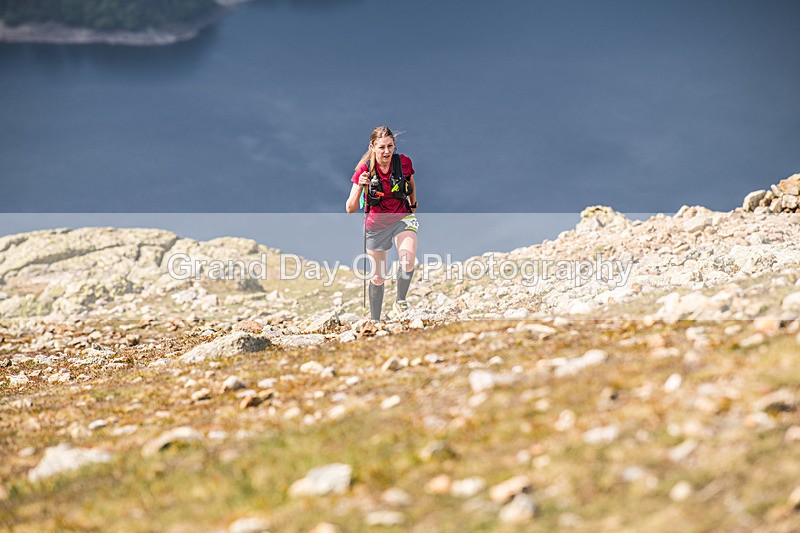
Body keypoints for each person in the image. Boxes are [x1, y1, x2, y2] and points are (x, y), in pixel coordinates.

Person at [345, 126, 418, 321]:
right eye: (382, 147)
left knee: (408, 260)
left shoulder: (403, 163)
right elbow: (350, 208)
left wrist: (413, 205)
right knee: (377, 277)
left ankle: (400, 301)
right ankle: (375, 320)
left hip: (402, 217)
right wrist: (361, 185)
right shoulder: (364, 170)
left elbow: (410, 184)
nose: (386, 151)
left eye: (390, 146)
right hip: (376, 226)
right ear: (372, 147)